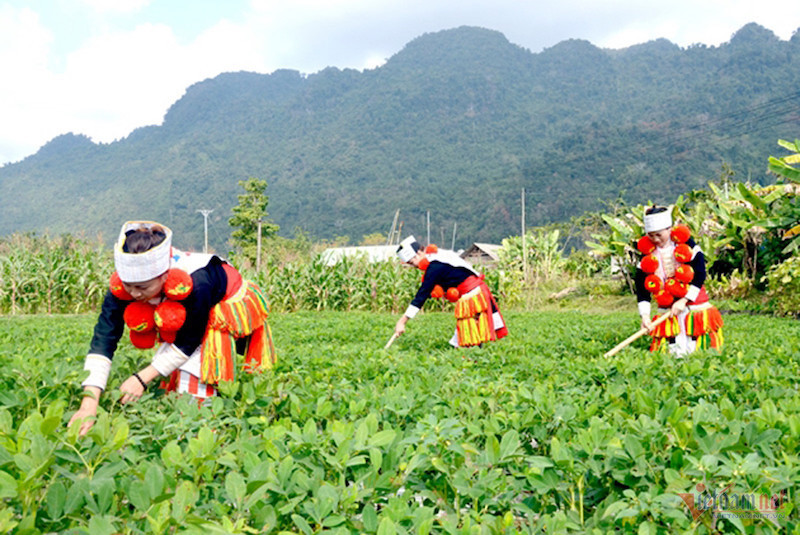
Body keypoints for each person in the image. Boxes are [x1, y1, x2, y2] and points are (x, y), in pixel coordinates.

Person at [68, 221, 276, 435]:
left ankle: (205, 420)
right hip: (184, 306)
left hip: (222, 301)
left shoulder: (197, 281)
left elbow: (189, 340)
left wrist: (141, 379)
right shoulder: (125, 285)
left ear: (165, 275)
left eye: (142, 288)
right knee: (171, 359)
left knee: (194, 376)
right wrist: (88, 404)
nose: (134, 294)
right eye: (128, 286)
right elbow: (104, 338)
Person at [634, 206, 723, 355]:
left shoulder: (689, 247)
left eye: (659, 234)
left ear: (669, 229)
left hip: (693, 304)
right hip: (666, 306)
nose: (656, 239)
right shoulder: (646, 257)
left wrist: (684, 300)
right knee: (671, 349)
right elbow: (642, 290)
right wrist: (645, 316)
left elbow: (700, 274)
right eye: (651, 235)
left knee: (698, 347)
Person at [393, 236, 508, 347]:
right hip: (474, 290)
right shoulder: (439, 255)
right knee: (468, 330)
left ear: (418, 253)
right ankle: (470, 354)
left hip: (472, 293)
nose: (415, 267)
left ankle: (471, 358)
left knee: (469, 330)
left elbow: (421, 295)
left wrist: (402, 321)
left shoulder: (434, 266)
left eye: (412, 263)